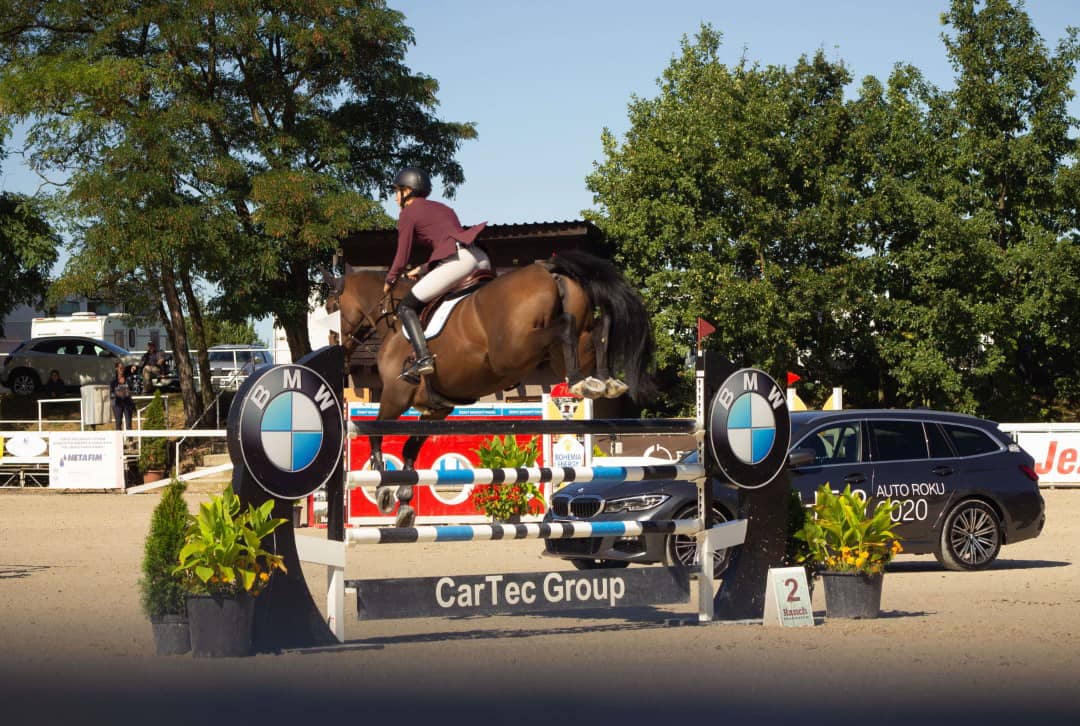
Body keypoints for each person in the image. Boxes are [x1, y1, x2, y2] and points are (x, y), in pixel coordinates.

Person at [384, 166, 492, 383]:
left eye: (397, 191)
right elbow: (448, 244)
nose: (395, 197)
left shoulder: (408, 212)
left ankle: (423, 359)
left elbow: (402, 256)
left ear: (407, 191)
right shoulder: (443, 208)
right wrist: (423, 269)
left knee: (406, 306)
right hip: (480, 258)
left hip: (459, 263)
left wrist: (390, 280)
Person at [110, 364, 135, 432]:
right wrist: (116, 393)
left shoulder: (128, 379)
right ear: (116, 368)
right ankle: (119, 441)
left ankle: (130, 440)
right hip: (117, 403)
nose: (121, 369)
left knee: (129, 423)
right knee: (118, 423)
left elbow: (133, 389)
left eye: (123, 368)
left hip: (127, 403)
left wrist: (129, 391)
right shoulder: (113, 380)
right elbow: (111, 392)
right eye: (120, 368)